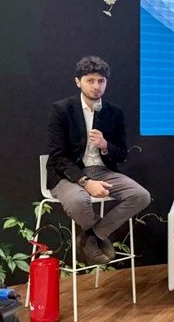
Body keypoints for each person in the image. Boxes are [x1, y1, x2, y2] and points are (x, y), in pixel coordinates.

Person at [47, 56, 151, 266]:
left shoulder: (114, 112)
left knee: (141, 196)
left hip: (103, 171)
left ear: (106, 82)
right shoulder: (62, 109)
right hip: (68, 174)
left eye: (101, 81)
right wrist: (85, 182)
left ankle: (92, 237)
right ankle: (97, 236)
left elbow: (121, 154)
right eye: (90, 80)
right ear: (78, 82)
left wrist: (105, 145)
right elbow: (57, 156)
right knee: (78, 201)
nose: (96, 86)